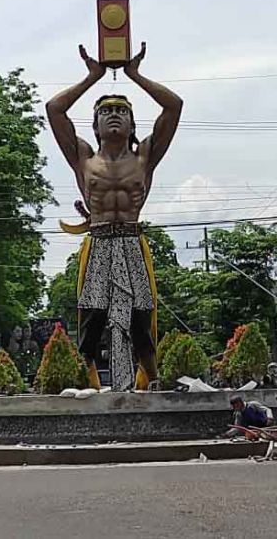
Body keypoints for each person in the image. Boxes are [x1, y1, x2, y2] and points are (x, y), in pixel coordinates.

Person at [46, 42, 182, 391]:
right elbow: (55, 109)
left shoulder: (145, 156)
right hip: (99, 241)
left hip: (132, 239)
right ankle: (88, 383)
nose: (115, 115)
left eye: (122, 110)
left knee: (141, 318)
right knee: (92, 316)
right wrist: (93, 77)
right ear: (94, 125)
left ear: (133, 122)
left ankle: (153, 382)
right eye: (106, 111)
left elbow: (174, 105)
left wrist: (134, 74)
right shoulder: (83, 158)